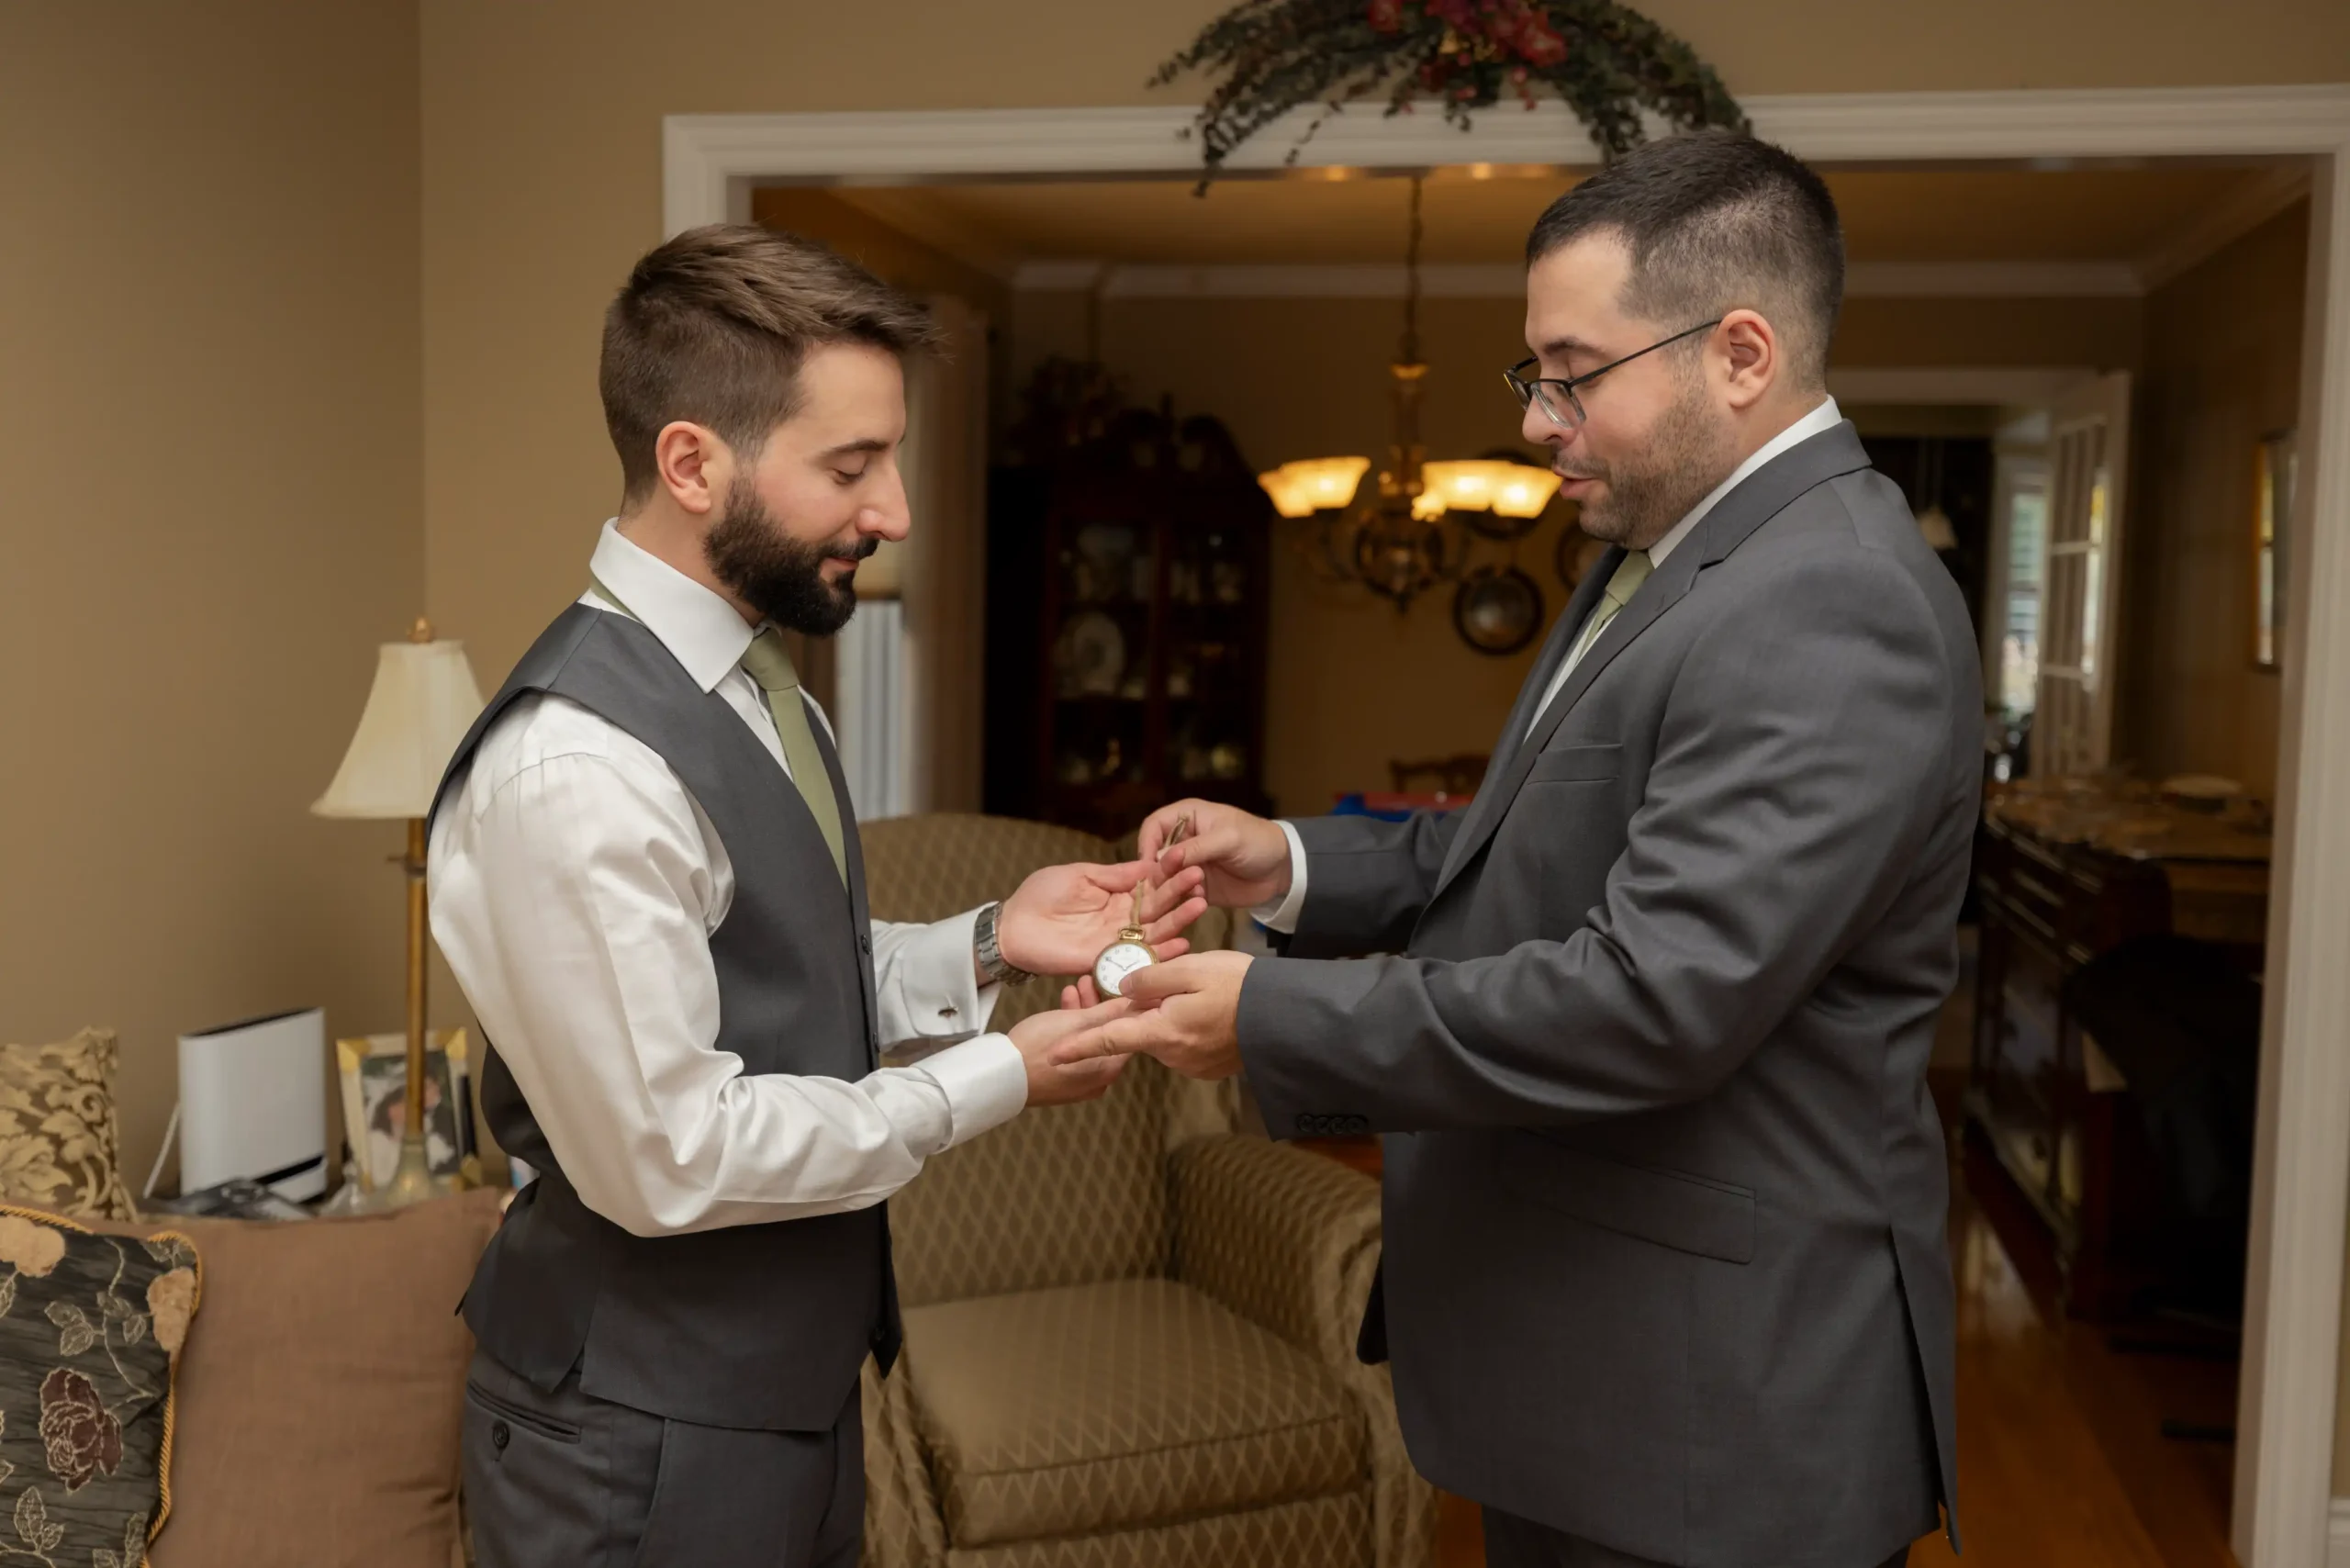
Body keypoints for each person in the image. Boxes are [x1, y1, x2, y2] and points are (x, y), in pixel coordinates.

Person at [1056, 132, 1975, 1568]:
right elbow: (1541, 844)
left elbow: (1654, 998)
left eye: (1573, 371)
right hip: (1596, 1365)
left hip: (1711, 1412)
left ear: (1739, 353)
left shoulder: (1830, 600)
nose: (1541, 420)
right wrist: (1291, 863)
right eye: (1533, 374)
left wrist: (1272, 1014)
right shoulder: (1665, 554)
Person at [427, 224, 1190, 1568]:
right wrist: (997, 1077)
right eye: (851, 466)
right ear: (692, 464)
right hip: (632, 1443)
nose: (895, 512)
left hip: (782, 1402)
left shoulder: (768, 690)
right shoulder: (576, 771)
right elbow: (676, 1154)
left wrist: (991, 943)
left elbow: (767, 979)